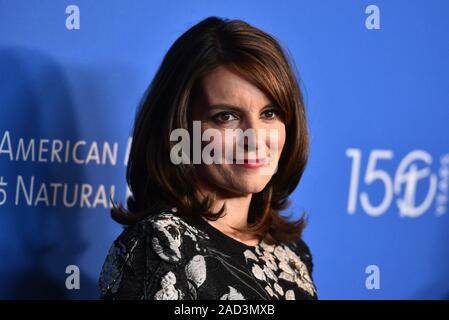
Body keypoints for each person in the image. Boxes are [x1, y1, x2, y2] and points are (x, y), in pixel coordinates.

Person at [99, 16, 317, 300]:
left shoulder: (292, 253)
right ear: (180, 129)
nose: (255, 138)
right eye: (226, 117)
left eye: (270, 113)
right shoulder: (157, 247)